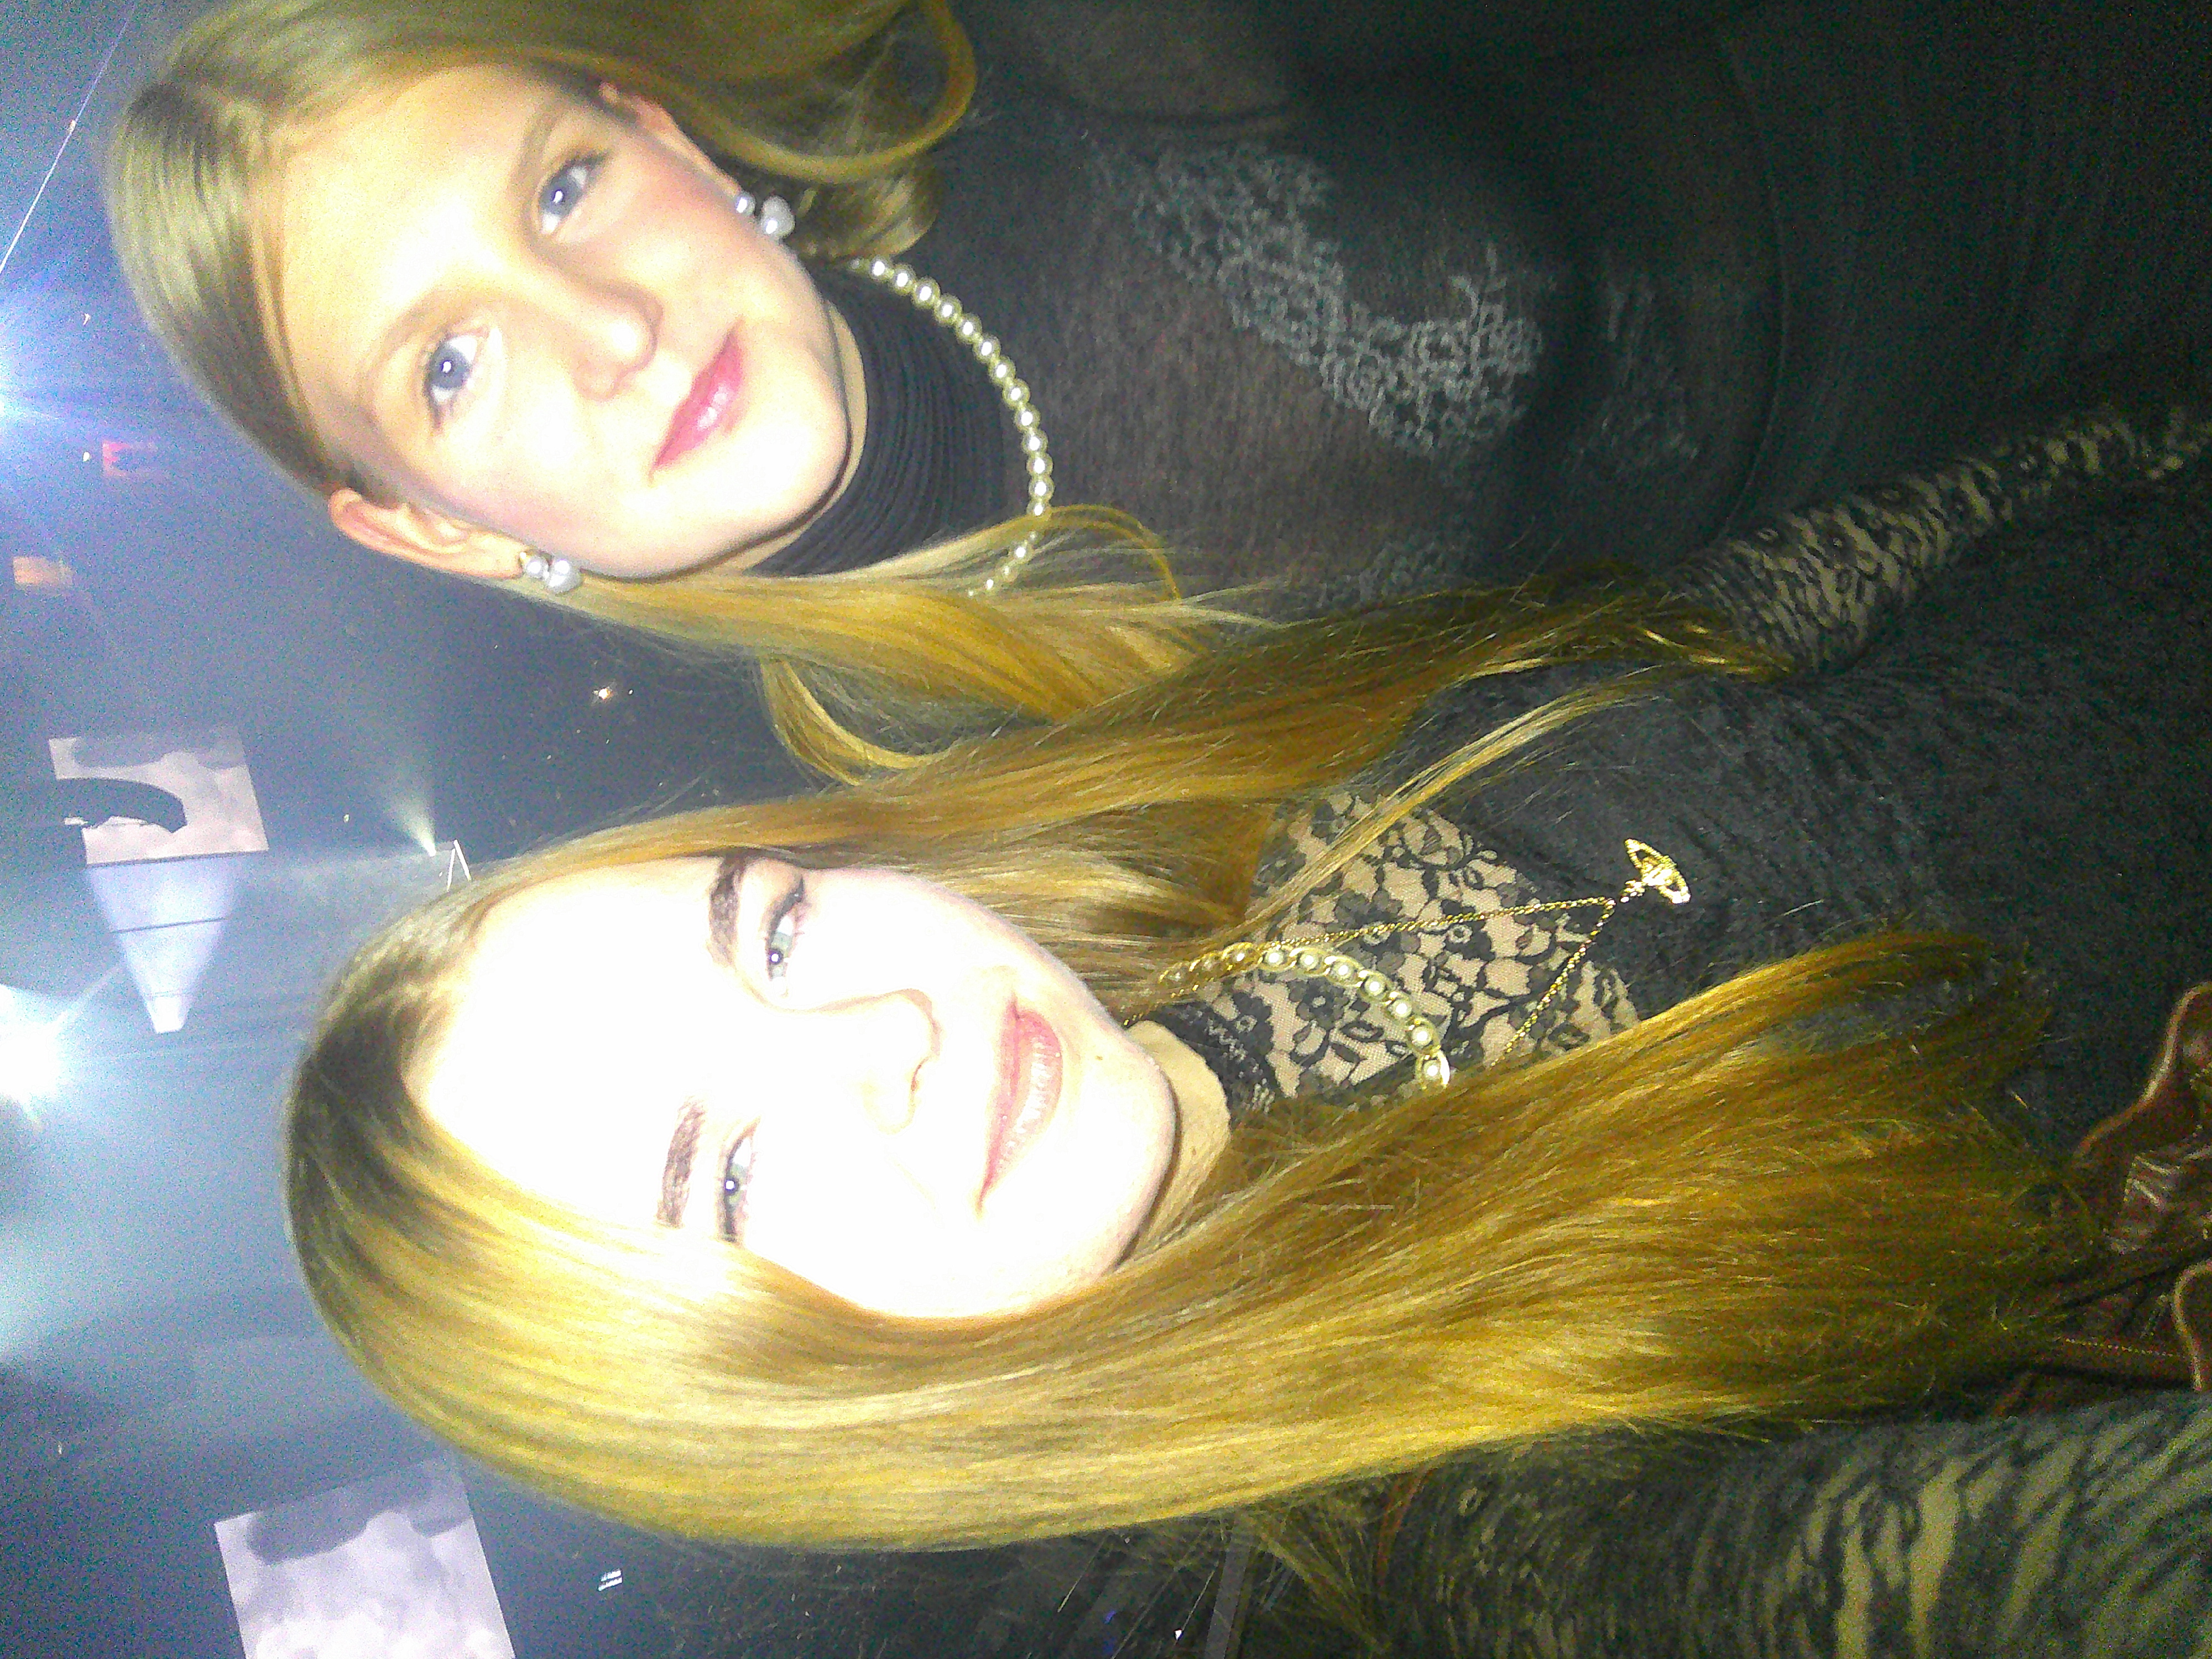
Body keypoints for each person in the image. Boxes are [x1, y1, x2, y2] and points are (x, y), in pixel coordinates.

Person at [285, 402, 2212, 1650]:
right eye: (731, 1177)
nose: (879, 1032)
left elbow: (1802, 582)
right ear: (742, 1409)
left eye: (774, 931)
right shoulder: (1415, 1515)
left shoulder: (1192, 799)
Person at [108, 0, 2212, 773]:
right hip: (1994, 579)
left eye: (563, 184)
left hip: (1999, 122)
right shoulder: (940, 812)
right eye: (450, 363)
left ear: (656, 126)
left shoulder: (1015, 60)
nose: (613, 329)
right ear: (428, 527)